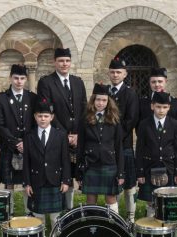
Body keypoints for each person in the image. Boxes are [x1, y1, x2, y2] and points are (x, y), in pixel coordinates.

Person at [38, 48, 86, 210]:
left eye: (67, 61)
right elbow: (48, 110)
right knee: (62, 174)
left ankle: (70, 210)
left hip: (78, 137)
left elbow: (84, 108)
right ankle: (62, 209)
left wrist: (78, 133)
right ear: (54, 62)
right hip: (58, 137)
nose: (64, 64)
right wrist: (64, 134)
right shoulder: (46, 83)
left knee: (74, 173)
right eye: (61, 61)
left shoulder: (78, 82)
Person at [0, 64, 38, 214]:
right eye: (16, 78)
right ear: (10, 78)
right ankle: (9, 212)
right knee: (9, 183)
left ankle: (29, 212)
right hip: (9, 145)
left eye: (22, 78)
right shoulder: (1, 98)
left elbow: (36, 123)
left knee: (29, 181)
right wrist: (16, 142)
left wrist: (26, 143)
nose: (19, 81)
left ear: (26, 79)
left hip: (28, 146)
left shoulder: (32, 98)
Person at [23, 98, 71, 225]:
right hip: (36, 181)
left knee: (56, 217)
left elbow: (65, 160)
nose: (43, 119)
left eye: (46, 116)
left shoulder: (60, 135)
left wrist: (66, 180)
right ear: (35, 117)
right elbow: (26, 162)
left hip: (55, 180)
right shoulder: (29, 136)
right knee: (38, 217)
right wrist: (27, 183)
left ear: (52, 117)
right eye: (40, 116)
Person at [136, 92, 177, 217]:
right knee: (151, 200)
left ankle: (168, 224)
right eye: (158, 107)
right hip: (149, 166)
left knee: (168, 198)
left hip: (169, 167)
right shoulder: (144, 124)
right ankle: (151, 218)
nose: (161, 110)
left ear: (169, 107)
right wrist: (140, 172)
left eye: (164, 107)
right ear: (152, 106)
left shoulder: (174, 124)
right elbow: (139, 149)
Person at [79, 83, 125, 212]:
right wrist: (79, 172)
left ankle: (114, 226)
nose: (101, 103)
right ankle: (92, 225)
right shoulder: (85, 119)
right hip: (90, 164)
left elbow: (118, 147)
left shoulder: (114, 119)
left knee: (110, 198)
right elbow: (80, 147)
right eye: (98, 99)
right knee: (91, 198)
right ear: (93, 100)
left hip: (109, 163)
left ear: (108, 102)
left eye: (104, 100)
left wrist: (121, 172)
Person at [106, 56, 140, 221]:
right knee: (113, 182)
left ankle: (131, 217)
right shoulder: (103, 92)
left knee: (129, 184)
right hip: (106, 146)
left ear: (125, 74)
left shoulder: (131, 93)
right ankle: (115, 216)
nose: (115, 75)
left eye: (118, 72)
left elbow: (131, 120)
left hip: (124, 144)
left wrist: (116, 137)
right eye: (112, 72)